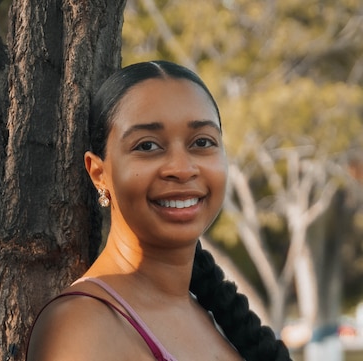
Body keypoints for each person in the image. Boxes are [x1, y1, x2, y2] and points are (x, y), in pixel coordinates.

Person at [26, 60, 292, 361]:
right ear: (99, 173)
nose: (181, 169)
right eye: (148, 146)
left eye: (202, 142)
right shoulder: (83, 326)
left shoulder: (213, 318)